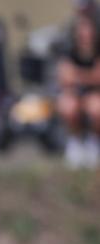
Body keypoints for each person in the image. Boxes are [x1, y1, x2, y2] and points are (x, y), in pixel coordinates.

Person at [57, 5, 100, 168]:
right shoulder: (68, 45)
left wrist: (77, 75)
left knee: (96, 107)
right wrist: (88, 76)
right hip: (74, 93)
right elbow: (64, 77)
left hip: (95, 94)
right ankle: (76, 144)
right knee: (68, 106)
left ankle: (94, 144)